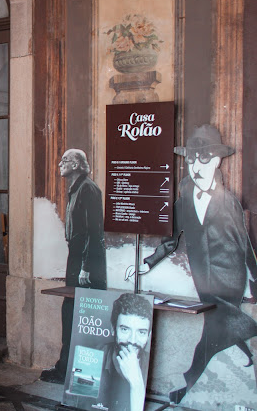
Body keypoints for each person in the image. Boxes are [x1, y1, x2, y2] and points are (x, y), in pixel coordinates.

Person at [142, 124, 257, 404]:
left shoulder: (228, 201)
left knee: (215, 330)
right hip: (203, 281)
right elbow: (171, 240)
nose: (196, 166)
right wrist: (148, 264)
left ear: (217, 161)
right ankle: (241, 352)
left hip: (228, 281)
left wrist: (254, 278)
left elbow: (244, 244)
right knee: (216, 331)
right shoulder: (183, 203)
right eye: (191, 159)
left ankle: (187, 386)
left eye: (203, 159)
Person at [40, 149, 107, 384]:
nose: (60, 164)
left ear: (77, 165)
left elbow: (94, 231)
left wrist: (86, 266)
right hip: (77, 258)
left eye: (65, 160)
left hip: (86, 262)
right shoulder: (78, 188)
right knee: (70, 311)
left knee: (81, 314)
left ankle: (75, 372)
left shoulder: (88, 189)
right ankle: (66, 368)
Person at [98, 293, 153, 411]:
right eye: (125, 329)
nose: (132, 340)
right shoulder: (95, 356)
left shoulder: (152, 365)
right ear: (113, 329)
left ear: (148, 335)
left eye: (141, 332)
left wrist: (136, 383)